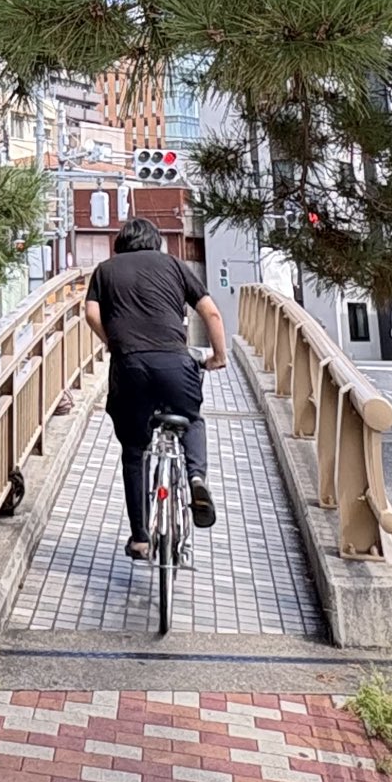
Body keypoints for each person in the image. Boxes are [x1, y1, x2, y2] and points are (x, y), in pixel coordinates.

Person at [85, 216, 227, 560]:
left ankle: (141, 538)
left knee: (134, 451)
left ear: (121, 244)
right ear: (155, 242)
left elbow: (90, 314)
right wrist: (219, 356)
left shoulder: (105, 270)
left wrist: (113, 343)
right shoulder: (174, 265)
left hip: (129, 367)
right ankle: (196, 479)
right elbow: (211, 313)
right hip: (175, 364)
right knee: (191, 419)